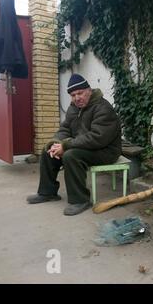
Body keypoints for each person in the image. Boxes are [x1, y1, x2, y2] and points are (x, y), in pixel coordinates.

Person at [27, 74, 122, 216]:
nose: (77, 98)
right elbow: (65, 129)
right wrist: (55, 144)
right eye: (73, 95)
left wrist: (66, 146)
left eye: (80, 93)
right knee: (48, 150)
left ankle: (80, 200)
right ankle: (47, 192)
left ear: (89, 90)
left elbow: (97, 138)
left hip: (106, 150)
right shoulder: (74, 108)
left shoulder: (103, 108)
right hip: (85, 146)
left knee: (71, 155)